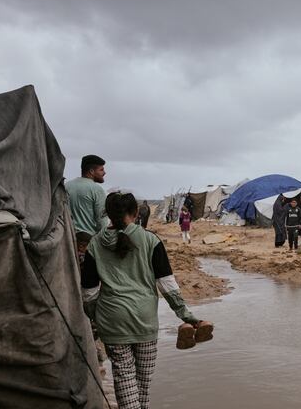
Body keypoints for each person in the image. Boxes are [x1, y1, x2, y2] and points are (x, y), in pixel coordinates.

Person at [81, 193, 213, 409]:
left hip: (112, 320)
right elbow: (167, 286)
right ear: (135, 213)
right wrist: (188, 316)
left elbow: (89, 292)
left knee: (124, 380)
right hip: (145, 319)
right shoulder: (151, 240)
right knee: (142, 384)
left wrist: (96, 316)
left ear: (109, 215)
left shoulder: (95, 244)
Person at [66, 154, 108, 235]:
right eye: (101, 170)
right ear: (91, 171)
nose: (104, 172)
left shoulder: (66, 186)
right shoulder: (97, 189)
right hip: (88, 240)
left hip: (68, 238)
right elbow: (102, 221)